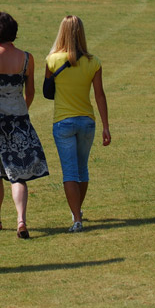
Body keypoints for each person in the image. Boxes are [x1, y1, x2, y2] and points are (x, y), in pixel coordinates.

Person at [0, 12, 48, 239]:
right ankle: (21, 219)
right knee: (19, 174)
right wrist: (21, 109)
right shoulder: (27, 58)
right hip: (20, 119)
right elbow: (30, 92)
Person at [44, 15, 111, 233]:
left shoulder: (52, 60)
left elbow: (47, 93)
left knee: (70, 172)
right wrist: (106, 126)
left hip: (63, 122)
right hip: (87, 121)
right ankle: (78, 211)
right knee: (82, 169)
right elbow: (100, 95)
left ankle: (76, 219)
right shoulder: (94, 62)